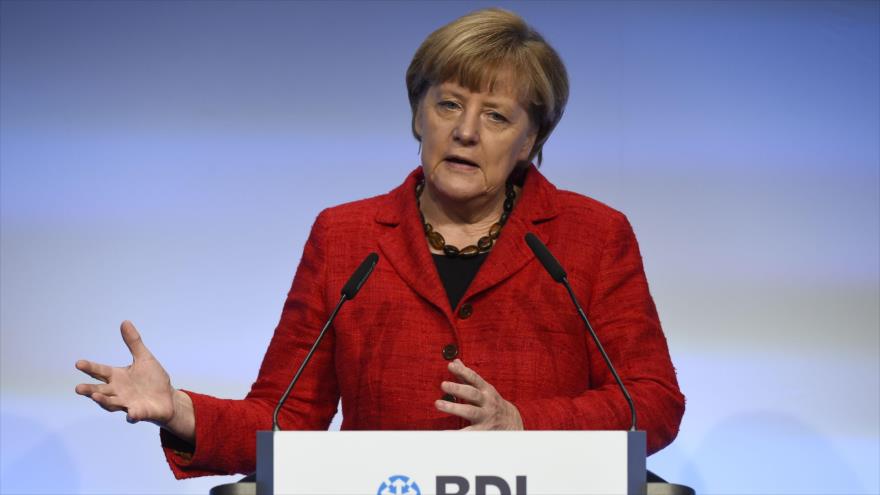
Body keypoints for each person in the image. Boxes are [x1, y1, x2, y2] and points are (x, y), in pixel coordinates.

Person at [75, 8, 685, 479]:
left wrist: (525, 424)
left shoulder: (591, 236)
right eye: (448, 103)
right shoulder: (347, 237)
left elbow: (652, 404)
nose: (466, 131)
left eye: (496, 116)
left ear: (530, 140)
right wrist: (179, 408)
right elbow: (286, 418)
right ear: (419, 114)